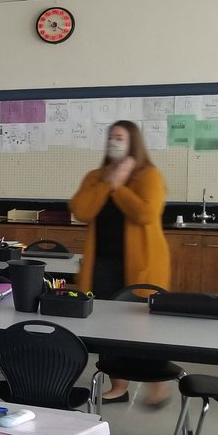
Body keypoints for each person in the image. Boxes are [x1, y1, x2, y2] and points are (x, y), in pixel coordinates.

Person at [69, 120, 171, 407]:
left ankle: (157, 387)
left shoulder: (148, 175)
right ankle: (119, 385)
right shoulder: (96, 176)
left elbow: (147, 214)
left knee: (144, 325)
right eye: (111, 137)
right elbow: (81, 210)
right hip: (102, 262)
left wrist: (121, 188)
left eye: (120, 137)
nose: (114, 142)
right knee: (106, 324)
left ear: (133, 142)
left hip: (142, 264)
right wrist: (108, 183)